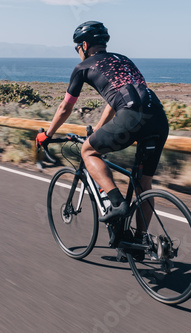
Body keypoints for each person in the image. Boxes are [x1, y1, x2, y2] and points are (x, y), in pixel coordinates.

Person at [36, 21, 169, 244]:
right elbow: (117, 97)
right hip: (158, 117)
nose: (78, 52)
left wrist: (47, 135)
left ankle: (117, 203)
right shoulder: (124, 60)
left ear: (84, 45)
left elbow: (65, 108)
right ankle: (139, 241)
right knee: (144, 183)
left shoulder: (83, 67)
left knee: (88, 151)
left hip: (131, 116)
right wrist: (99, 128)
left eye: (77, 47)